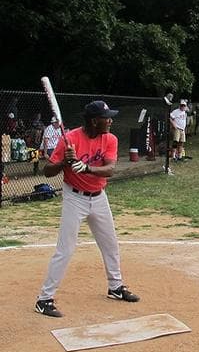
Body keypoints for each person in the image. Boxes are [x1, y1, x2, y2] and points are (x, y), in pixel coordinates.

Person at [34, 100, 140, 318]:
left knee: (110, 244)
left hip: (99, 197)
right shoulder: (70, 139)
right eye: (106, 118)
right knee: (66, 249)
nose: (110, 121)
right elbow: (47, 172)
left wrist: (87, 168)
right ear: (94, 121)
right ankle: (44, 299)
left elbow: (109, 169)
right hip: (74, 198)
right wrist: (64, 161)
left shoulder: (110, 138)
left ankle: (115, 287)